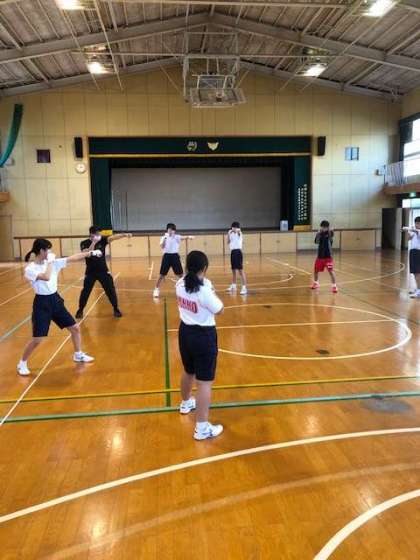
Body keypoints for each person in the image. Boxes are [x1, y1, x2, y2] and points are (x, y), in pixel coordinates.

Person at [17, 238, 97, 376]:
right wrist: (50, 262)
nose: (50, 252)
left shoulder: (52, 263)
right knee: (38, 339)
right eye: (47, 249)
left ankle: (78, 354)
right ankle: (22, 363)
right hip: (42, 304)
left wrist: (91, 253)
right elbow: (46, 277)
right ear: (41, 251)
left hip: (55, 300)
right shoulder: (30, 269)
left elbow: (72, 258)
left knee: (75, 328)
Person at [176, 250, 224, 440]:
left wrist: (207, 285)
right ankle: (202, 428)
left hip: (185, 333)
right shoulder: (204, 290)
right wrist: (211, 289)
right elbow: (220, 309)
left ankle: (185, 403)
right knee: (204, 382)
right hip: (203, 336)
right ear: (204, 268)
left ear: (187, 266)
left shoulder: (179, 283)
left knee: (188, 371)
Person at [76, 226, 131, 319]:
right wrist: (94, 242)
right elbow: (87, 253)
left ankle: (116, 308)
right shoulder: (84, 243)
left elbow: (113, 237)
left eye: (99, 234)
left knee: (110, 290)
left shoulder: (102, 240)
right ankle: (80, 310)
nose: (99, 235)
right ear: (92, 234)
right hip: (90, 272)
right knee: (85, 291)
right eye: (97, 234)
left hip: (103, 271)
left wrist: (124, 235)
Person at [153, 223, 194, 298]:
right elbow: (162, 246)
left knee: (180, 275)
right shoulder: (163, 237)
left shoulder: (177, 237)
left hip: (175, 256)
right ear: (167, 230)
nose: (171, 231)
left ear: (174, 231)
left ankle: (185, 289)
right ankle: (156, 289)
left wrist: (188, 237)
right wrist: (165, 239)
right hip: (166, 256)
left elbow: (183, 237)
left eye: (173, 230)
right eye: (170, 229)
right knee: (162, 275)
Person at [311, 220, 338, 293]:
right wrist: (318, 234)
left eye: (324, 227)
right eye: (322, 227)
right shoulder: (320, 234)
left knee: (331, 271)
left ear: (327, 227)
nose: (322, 228)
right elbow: (316, 242)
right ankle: (316, 283)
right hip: (320, 256)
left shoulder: (330, 233)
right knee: (316, 270)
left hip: (328, 257)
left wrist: (329, 230)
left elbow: (331, 233)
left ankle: (334, 286)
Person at [226, 221, 247, 295]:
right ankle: (233, 286)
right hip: (233, 252)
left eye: (235, 227)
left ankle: (244, 288)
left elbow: (237, 231)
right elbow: (228, 242)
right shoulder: (230, 233)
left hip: (238, 252)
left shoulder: (239, 232)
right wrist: (229, 234)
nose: (234, 228)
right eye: (233, 227)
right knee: (233, 271)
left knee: (241, 271)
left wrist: (234, 230)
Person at [403, 216, 420, 298]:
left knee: (418, 272)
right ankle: (418, 289)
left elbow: (416, 231)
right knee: (415, 273)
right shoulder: (415, 231)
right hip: (413, 252)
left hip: (418, 252)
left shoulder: (418, 231)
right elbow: (408, 239)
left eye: (418, 223)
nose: (416, 225)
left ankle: (419, 291)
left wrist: (409, 228)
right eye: (416, 223)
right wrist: (408, 231)